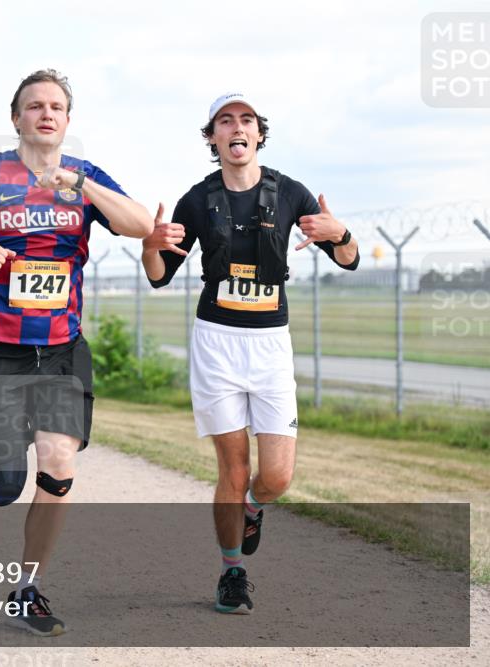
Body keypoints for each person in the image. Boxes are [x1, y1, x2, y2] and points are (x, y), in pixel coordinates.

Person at [0, 69, 153, 636]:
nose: (46, 113)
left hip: (62, 349)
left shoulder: (85, 178)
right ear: (15, 118)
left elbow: (140, 224)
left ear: (68, 120)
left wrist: (81, 186)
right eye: (34, 105)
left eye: (57, 107)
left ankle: (27, 590)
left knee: (59, 464)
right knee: (2, 487)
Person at [142, 93, 360, 614]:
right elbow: (159, 276)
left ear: (259, 134)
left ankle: (254, 508)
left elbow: (348, 260)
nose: (236, 128)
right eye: (225, 121)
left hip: (269, 345)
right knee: (232, 468)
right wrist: (151, 244)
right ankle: (232, 572)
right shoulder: (197, 200)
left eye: (246, 120)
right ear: (212, 137)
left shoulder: (290, 194)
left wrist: (342, 233)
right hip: (216, 342)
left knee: (276, 477)